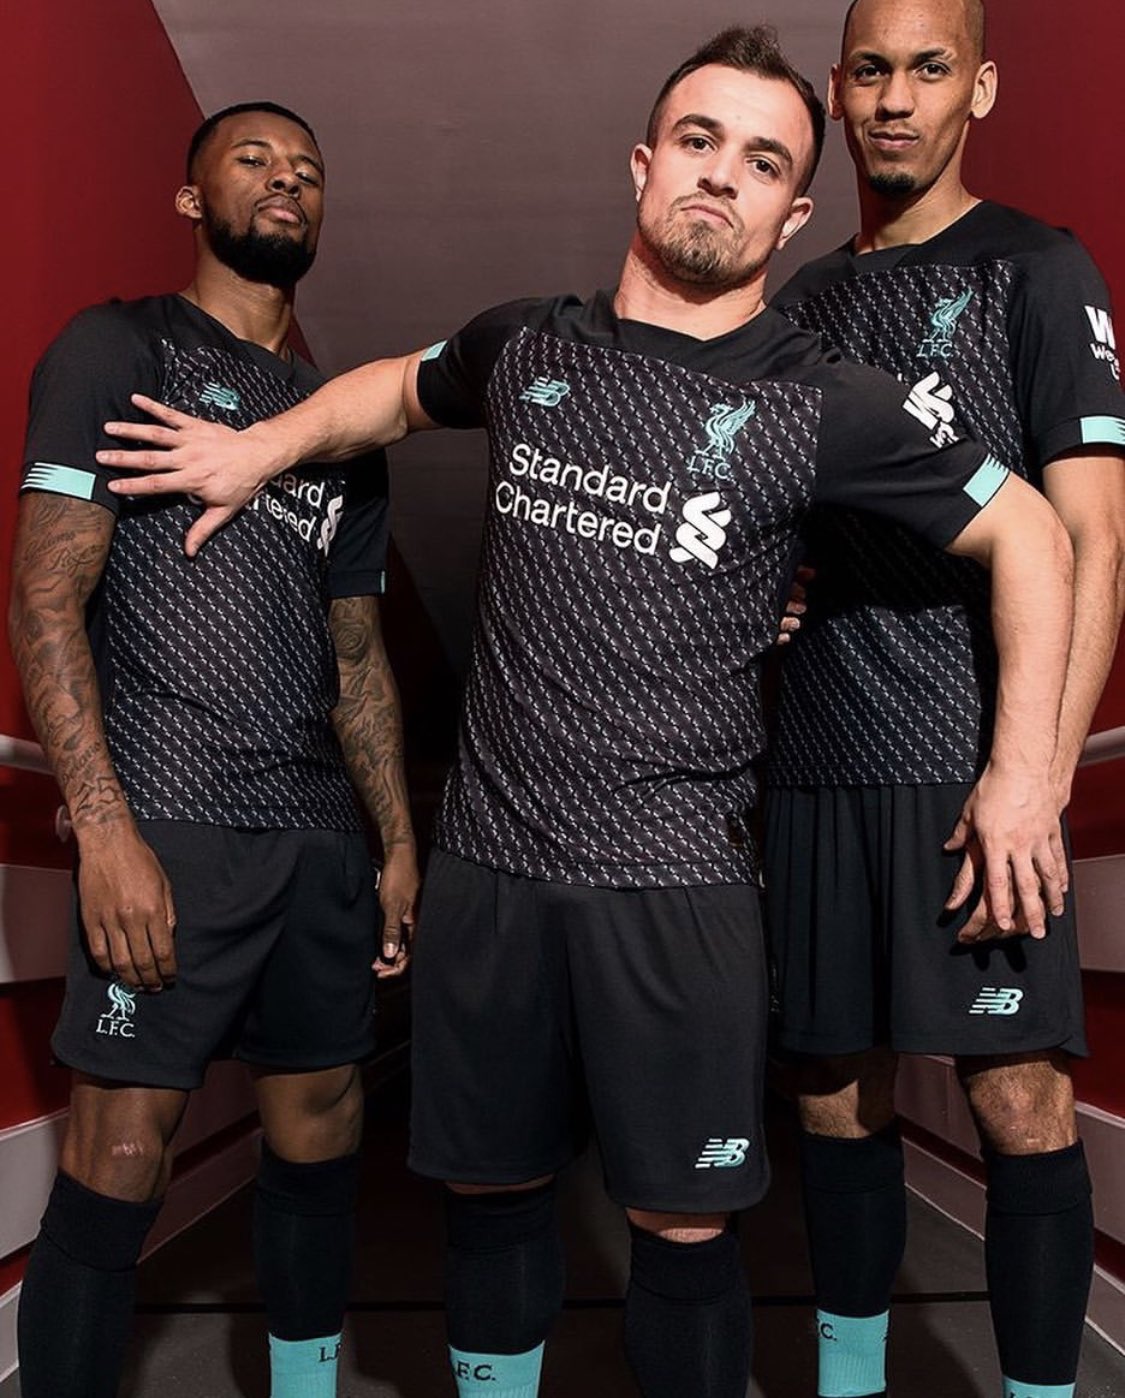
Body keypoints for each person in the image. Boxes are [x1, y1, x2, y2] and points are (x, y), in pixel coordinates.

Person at [93, 29, 1075, 1398]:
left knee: (685, 1228)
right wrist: (256, 448)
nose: (721, 175)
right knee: (489, 1202)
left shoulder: (821, 400)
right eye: (698, 140)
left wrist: (1020, 773)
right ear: (641, 163)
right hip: (490, 877)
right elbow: (395, 390)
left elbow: (1032, 534)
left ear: (794, 212)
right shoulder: (526, 342)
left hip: (677, 893)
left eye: (763, 162)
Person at [9, 102, 419, 1398]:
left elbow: (358, 656)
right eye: (253, 160)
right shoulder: (118, 348)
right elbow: (45, 595)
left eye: (308, 169)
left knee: (321, 1130)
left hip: (318, 840)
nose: (286, 179)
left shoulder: (340, 424)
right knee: (121, 1153)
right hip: (169, 819)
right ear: (192, 199)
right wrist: (106, 827)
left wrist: (397, 842)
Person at [763, 2, 1125, 1396]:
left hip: (972, 758)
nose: (896, 99)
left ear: (980, 87)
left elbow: (1094, 537)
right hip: (813, 757)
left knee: (1018, 1100)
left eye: (929, 69)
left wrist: (1032, 773)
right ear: (836, 93)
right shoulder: (795, 303)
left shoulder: (1038, 266)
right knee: (829, 1093)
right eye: (871, 71)